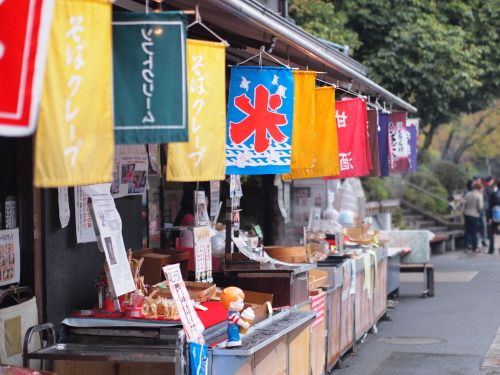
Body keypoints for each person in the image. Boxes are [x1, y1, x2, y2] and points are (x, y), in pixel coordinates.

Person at [463, 180, 483, 252]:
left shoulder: (468, 194)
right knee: (474, 231)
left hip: (467, 214)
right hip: (474, 215)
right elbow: (480, 207)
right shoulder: (479, 195)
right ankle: (474, 247)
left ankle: (466, 245)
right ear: (479, 188)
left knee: (467, 231)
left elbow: (464, 204)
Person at [479, 176, 494, 247]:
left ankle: (486, 238)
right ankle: (484, 239)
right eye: (492, 180)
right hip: (485, 208)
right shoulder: (485, 187)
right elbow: (486, 198)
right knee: (484, 224)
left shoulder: (489, 187)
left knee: (487, 224)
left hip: (488, 208)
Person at [488, 178, 500, 254]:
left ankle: (491, 248)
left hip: (495, 214)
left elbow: (490, 206)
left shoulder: (493, 194)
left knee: (492, 232)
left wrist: (490, 217)